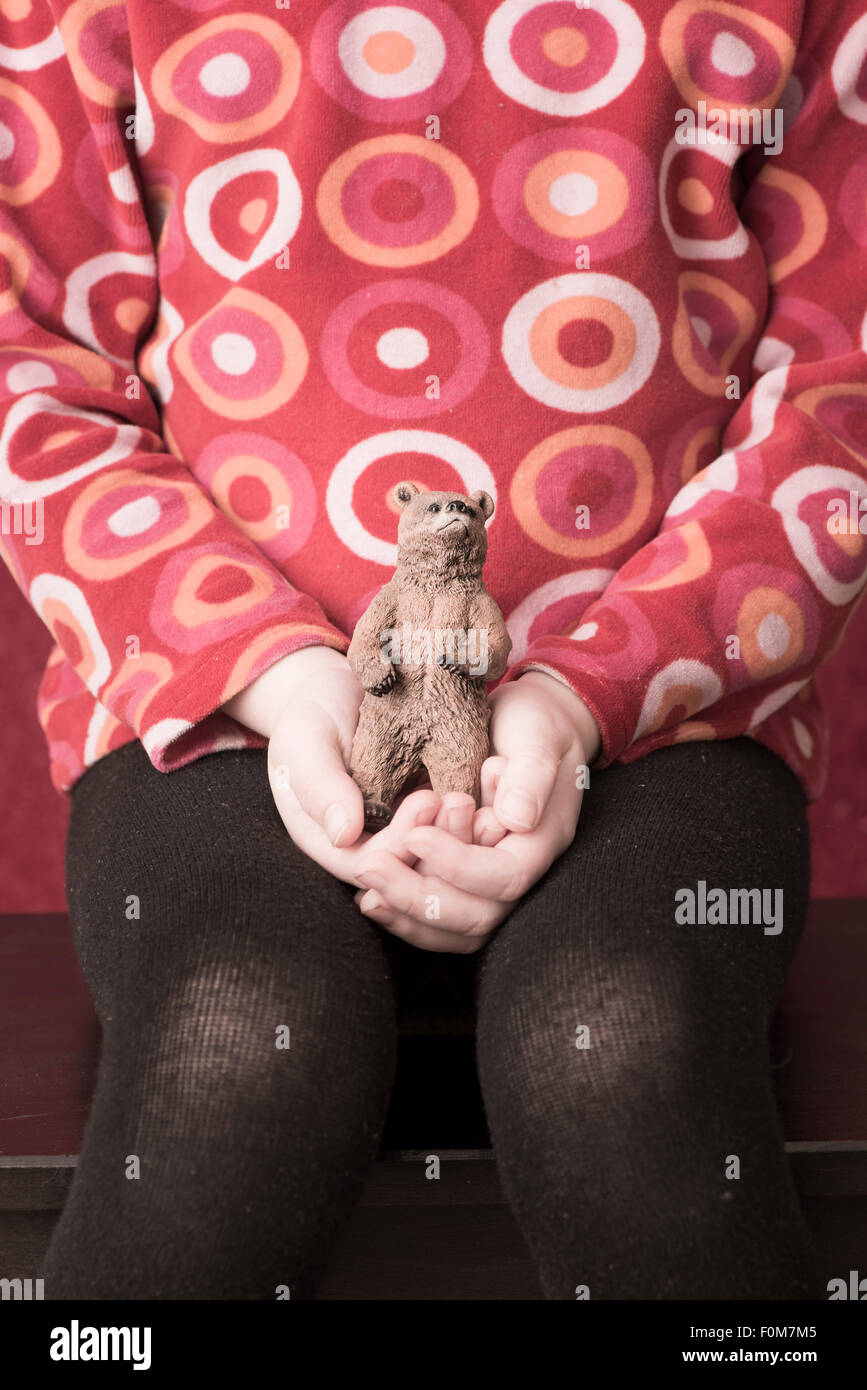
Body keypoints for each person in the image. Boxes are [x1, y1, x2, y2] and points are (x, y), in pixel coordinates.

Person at [2, 0, 864, 1300]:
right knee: (243, 1036)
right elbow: (34, 361)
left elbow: (838, 390)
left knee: (618, 1044)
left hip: (669, 712)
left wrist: (587, 695)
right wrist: (278, 674)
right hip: (222, 703)